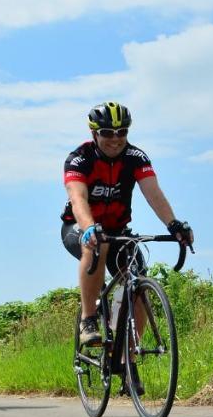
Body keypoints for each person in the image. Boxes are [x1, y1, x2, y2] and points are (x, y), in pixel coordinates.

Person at [61, 101, 194, 347]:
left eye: (122, 132)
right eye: (108, 133)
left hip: (118, 231)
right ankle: (88, 320)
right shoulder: (79, 159)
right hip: (80, 227)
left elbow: (153, 193)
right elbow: (78, 199)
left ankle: (127, 360)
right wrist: (90, 226)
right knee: (97, 247)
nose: (115, 138)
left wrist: (174, 225)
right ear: (94, 133)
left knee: (138, 286)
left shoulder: (135, 157)